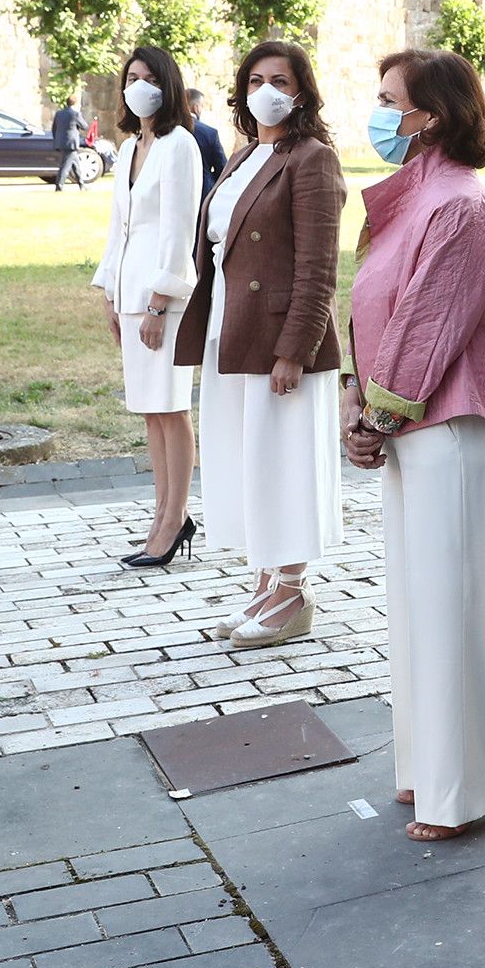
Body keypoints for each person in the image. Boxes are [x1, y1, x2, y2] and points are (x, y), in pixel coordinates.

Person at [342, 48, 485, 842]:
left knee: (453, 608)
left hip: (448, 429)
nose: (380, 114)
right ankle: (426, 770)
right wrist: (357, 399)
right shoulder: (410, 201)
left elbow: (427, 329)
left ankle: (465, 792)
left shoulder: (462, 208)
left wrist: (372, 419)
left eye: (392, 101)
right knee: (418, 608)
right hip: (408, 428)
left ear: (435, 116)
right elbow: (375, 314)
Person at [175, 41, 346, 649]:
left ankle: (295, 591)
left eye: (280, 80)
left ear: (302, 92)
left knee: (284, 461)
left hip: (279, 339)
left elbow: (318, 268)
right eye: (255, 80)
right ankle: (267, 579)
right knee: (248, 460)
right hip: (231, 329)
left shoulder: (313, 159)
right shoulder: (244, 155)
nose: (266, 90)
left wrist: (295, 349)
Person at [93, 46, 200, 568]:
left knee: (172, 408)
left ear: (168, 85)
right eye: (132, 77)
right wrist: (111, 293)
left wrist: (159, 302)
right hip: (131, 293)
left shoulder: (180, 145)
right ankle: (161, 514)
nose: (138, 86)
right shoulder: (131, 145)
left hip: (163, 298)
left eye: (150, 77)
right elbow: (121, 227)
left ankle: (175, 516)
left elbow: (180, 228)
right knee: (151, 412)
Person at [189, 89, 227, 197]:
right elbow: (223, 169)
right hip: (203, 193)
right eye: (202, 106)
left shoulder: (166, 131)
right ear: (196, 108)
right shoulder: (210, 133)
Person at [52, 95, 87, 191]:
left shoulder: (59, 114)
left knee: (76, 165)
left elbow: (54, 128)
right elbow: (84, 126)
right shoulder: (75, 114)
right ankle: (59, 186)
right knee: (65, 166)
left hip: (61, 142)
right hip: (71, 143)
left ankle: (82, 185)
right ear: (75, 104)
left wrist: (57, 140)